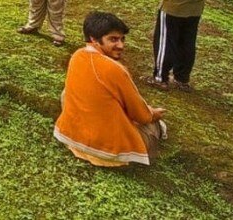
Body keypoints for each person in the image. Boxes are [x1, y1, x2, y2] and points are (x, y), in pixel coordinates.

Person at [54, 12, 168, 167]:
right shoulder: (115, 69)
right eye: (113, 39)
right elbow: (140, 115)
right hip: (110, 154)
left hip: (73, 141)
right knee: (153, 122)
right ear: (94, 39)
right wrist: (153, 114)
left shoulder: (76, 56)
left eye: (122, 39)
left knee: (66, 93)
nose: (121, 45)